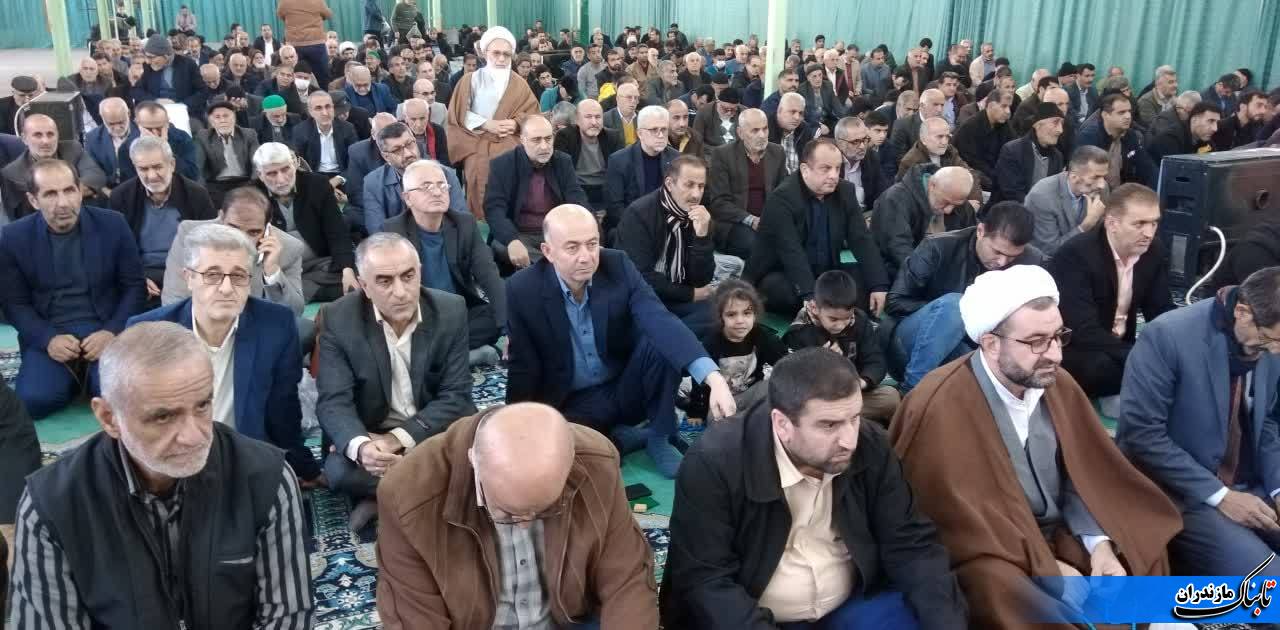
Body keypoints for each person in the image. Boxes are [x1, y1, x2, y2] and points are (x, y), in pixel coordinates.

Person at [890, 265, 1181, 628]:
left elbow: (1086, 474)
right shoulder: (938, 404)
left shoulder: (1056, 382)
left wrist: (1099, 545)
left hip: (1060, 529)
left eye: (1058, 336)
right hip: (996, 548)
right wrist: (1047, 569)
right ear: (991, 344)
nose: (1055, 354)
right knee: (995, 585)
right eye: (1037, 341)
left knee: (1138, 538)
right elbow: (955, 524)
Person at [6, 322, 314, 628]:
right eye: (164, 416)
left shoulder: (264, 477)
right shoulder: (52, 505)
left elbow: (288, 617)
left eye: (202, 406)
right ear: (109, 418)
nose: (194, 436)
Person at [661, 347, 968, 629]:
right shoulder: (715, 463)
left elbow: (910, 542)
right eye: (828, 425)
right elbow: (708, 581)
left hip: (852, 603)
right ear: (782, 424)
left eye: (854, 418)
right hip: (756, 617)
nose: (849, 440)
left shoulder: (869, 444)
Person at [375, 402, 659, 628]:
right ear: (474, 461)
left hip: (569, 620)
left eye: (545, 510)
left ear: (569, 465)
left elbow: (626, 579)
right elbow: (415, 617)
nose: (525, 526)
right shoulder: (408, 495)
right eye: (508, 514)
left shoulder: (595, 460)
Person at [504, 204, 737, 478]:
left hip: (626, 385)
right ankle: (625, 439)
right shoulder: (523, 289)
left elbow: (659, 319)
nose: (585, 257)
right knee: (563, 457)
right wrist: (516, 428)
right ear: (548, 251)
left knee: (660, 341)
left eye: (592, 244)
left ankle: (659, 433)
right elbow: (523, 366)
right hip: (573, 401)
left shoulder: (617, 265)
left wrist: (713, 378)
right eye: (572, 247)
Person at [128, 222, 322, 486]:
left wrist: (305, 468)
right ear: (188, 278)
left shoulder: (275, 326)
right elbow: (138, 421)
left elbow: (284, 412)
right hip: (172, 465)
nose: (227, 288)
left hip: (243, 464)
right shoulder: (148, 333)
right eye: (212, 275)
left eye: (239, 276)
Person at [1118, 266, 1280, 576]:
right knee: (1270, 581)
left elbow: (1268, 422)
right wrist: (1221, 496)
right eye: (1269, 340)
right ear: (1242, 312)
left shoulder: (1272, 339)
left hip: (1250, 483)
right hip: (1182, 493)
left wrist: (1277, 487)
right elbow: (1141, 435)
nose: (1275, 352)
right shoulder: (1168, 336)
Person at [316, 232, 475, 530]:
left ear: (420, 273)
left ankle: (385, 496)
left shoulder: (450, 310)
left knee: (478, 450)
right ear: (364, 286)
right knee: (339, 471)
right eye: (385, 281)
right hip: (372, 435)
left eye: (408, 276)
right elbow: (333, 402)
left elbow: (456, 396)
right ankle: (430, 493)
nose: (400, 292)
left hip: (430, 431)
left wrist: (396, 440)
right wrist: (364, 448)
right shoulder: (338, 318)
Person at [884, 201, 1043, 392]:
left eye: (1012, 257)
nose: (1002, 262)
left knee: (979, 370)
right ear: (981, 231)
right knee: (956, 306)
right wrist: (952, 317)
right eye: (997, 252)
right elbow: (895, 302)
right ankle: (912, 391)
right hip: (911, 341)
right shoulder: (937, 247)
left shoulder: (1030, 263)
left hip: (972, 348)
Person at [1047, 183, 1173, 402]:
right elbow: (1082, 329)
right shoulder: (1075, 255)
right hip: (1080, 349)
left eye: (1154, 223)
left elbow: (1160, 309)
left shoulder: (1154, 251)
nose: (1149, 233)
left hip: (1123, 344)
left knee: (1175, 358)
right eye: (1139, 224)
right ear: (1112, 223)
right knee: (1101, 368)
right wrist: (1138, 357)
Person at [744, 138, 889, 317]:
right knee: (787, 295)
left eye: (837, 168)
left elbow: (861, 239)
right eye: (825, 169)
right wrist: (809, 295)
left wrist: (878, 285)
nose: (834, 175)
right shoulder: (782, 198)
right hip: (782, 271)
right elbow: (791, 251)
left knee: (866, 282)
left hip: (827, 270)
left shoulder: (845, 191)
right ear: (805, 170)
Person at [383, 160, 505, 364]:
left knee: (498, 313)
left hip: (459, 313)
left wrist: (509, 330)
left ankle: (434, 360)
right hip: (418, 317)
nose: (437, 192)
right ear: (407, 198)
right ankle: (466, 357)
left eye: (442, 185)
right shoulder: (393, 231)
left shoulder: (464, 224)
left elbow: (489, 275)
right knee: (395, 337)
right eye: (426, 186)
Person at [161, 185, 307, 323]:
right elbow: (174, 300)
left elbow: (294, 312)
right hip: (200, 325)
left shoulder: (289, 248)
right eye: (233, 229)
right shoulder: (190, 234)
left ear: (267, 225)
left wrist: (273, 272)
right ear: (221, 218)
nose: (241, 240)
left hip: (257, 327)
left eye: (253, 232)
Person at [108, 135, 216, 304]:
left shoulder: (196, 195)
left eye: (158, 167)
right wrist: (137, 278)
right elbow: (115, 249)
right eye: (143, 169)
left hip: (185, 273)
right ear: (135, 168)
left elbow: (210, 244)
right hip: (141, 275)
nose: (151, 176)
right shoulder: (121, 196)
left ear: (172, 164)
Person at [616, 155, 717, 337]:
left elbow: (702, 279)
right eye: (689, 185)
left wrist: (702, 237)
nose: (696, 194)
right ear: (670, 184)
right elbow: (640, 276)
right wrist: (689, 294)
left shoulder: (701, 216)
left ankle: (671, 335)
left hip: (681, 295)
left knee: (719, 314)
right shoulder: (639, 214)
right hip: (646, 297)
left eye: (701, 186)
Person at [783, 270, 900, 425]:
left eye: (846, 318)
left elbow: (875, 360)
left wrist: (862, 382)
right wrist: (824, 363)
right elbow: (794, 381)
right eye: (833, 319)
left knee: (890, 398)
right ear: (815, 307)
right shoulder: (800, 332)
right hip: (818, 401)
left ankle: (842, 420)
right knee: (798, 409)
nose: (840, 325)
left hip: (851, 396)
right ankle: (845, 421)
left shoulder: (859, 321)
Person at [447, 26, 540, 218]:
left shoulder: (520, 83)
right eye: (496, 53)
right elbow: (458, 114)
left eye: (506, 54)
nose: (501, 59)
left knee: (512, 200)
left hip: (510, 147)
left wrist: (516, 124)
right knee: (480, 200)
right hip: (478, 146)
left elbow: (533, 114)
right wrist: (485, 124)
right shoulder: (470, 80)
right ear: (485, 53)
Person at [253, 142, 357, 301]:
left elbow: (337, 231)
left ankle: (295, 289)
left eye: (285, 169)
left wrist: (347, 270)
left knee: (357, 270)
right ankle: (302, 288)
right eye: (272, 174)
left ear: (295, 164)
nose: (281, 179)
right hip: (279, 266)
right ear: (260, 174)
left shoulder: (317, 184)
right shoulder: (251, 196)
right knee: (261, 281)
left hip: (320, 262)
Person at [686, 279, 788, 419]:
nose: (740, 320)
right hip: (720, 399)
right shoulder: (711, 342)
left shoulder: (761, 336)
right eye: (731, 314)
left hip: (751, 394)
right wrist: (696, 413)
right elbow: (699, 382)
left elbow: (784, 363)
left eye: (746, 313)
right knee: (717, 419)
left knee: (770, 391)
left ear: (755, 314)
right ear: (721, 316)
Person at [871, 164, 977, 283]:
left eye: (956, 205)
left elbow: (971, 243)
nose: (949, 210)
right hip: (900, 274)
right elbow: (898, 248)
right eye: (945, 202)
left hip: (942, 273)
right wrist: (932, 279)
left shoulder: (957, 199)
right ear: (932, 185)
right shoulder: (895, 199)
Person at [706, 108, 785, 259]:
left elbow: (782, 194)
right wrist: (751, 220)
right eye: (755, 130)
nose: (762, 135)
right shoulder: (722, 155)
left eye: (765, 129)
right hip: (735, 223)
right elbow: (719, 202)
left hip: (768, 220)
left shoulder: (777, 152)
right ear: (740, 133)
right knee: (758, 247)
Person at [363, 121, 465, 234]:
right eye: (397, 150)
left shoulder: (445, 174)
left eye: (409, 144)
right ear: (386, 157)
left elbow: (461, 220)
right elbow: (378, 231)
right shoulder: (373, 183)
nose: (408, 154)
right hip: (396, 242)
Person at [1, 114, 110, 219]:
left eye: (50, 134)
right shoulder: (12, 173)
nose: (46, 141)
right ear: (24, 139)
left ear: (57, 135)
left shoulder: (73, 149)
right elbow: (28, 212)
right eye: (38, 135)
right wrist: (86, 190)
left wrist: (51, 194)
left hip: (88, 215)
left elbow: (97, 177)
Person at [602, 105, 680, 236]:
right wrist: (642, 227)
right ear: (640, 133)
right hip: (632, 226)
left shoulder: (676, 159)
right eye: (654, 130)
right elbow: (615, 207)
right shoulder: (619, 160)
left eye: (664, 129)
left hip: (667, 225)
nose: (661, 135)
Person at [1026, 146, 1110, 255]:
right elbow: (1049, 250)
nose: (1102, 184)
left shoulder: (1101, 190)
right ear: (1074, 177)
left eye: (1104, 177)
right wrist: (1085, 226)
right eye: (1095, 177)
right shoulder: (1042, 196)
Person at [553, 98, 623, 210]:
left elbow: (619, 175)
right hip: (576, 189)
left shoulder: (612, 137)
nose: (594, 122)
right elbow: (561, 175)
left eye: (598, 117)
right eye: (588, 117)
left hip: (606, 190)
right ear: (577, 120)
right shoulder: (565, 137)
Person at [1075, 93, 1155, 188]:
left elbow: (1146, 166)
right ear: (1105, 115)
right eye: (1121, 112)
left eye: (1129, 111)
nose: (1128, 116)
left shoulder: (1130, 135)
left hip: (1123, 191)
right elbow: (1085, 175)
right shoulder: (1089, 137)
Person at [992, 103, 1065, 204]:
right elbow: (1012, 193)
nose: (1060, 130)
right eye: (1055, 123)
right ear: (1037, 125)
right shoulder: (1012, 151)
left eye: (1062, 124)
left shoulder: (1057, 157)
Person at [116, 101, 200, 183]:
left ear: (167, 122)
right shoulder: (126, 148)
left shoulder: (182, 138)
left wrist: (165, 148)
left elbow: (192, 175)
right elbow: (130, 184)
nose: (154, 133)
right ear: (137, 124)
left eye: (159, 128)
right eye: (148, 129)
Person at [196, 99, 260, 206]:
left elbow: (256, 163)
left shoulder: (249, 134)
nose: (222, 120)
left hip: (245, 182)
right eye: (217, 117)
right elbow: (198, 167)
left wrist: (254, 185)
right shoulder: (203, 137)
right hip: (217, 185)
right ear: (211, 121)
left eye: (226, 116)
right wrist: (201, 191)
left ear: (234, 117)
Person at [954, 88, 1014, 191]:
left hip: (997, 174)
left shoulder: (1004, 124)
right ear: (991, 105)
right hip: (975, 179)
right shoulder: (970, 128)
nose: (1008, 112)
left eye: (1009, 107)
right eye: (1004, 106)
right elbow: (973, 163)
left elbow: (1012, 150)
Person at [293, 90, 358, 175]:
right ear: (310, 112)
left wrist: (340, 178)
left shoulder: (347, 128)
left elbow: (354, 161)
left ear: (333, 108)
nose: (325, 113)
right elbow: (300, 163)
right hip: (315, 176)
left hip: (342, 174)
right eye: (318, 108)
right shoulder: (301, 131)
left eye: (328, 107)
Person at [131, 34, 202, 106]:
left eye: (151, 57)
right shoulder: (148, 67)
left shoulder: (188, 65)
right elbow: (137, 91)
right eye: (146, 56)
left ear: (166, 56)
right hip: (155, 109)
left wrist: (183, 105)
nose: (147, 61)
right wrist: (155, 100)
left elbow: (202, 91)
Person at [277, 0, 333, 88]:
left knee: (295, 77)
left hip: (294, 44)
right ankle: (321, 94)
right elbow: (328, 14)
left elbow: (280, 15)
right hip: (316, 42)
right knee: (321, 77)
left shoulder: (284, 1)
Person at [1148, 101, 1220, 164]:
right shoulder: (1170, 139)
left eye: (1217, 122)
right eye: (1211, 121)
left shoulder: (1205, 139)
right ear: (1194, 119)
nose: (1215, 128)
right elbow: (1175, 171)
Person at [690, 86, 744, 156]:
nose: (729, 113)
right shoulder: (703, 112)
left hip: (737, 154)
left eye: (733, 110)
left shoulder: (744, 113)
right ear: (718, 102)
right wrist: (718, 151)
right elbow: (696, 140)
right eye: (725, 109)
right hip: (711, 153)